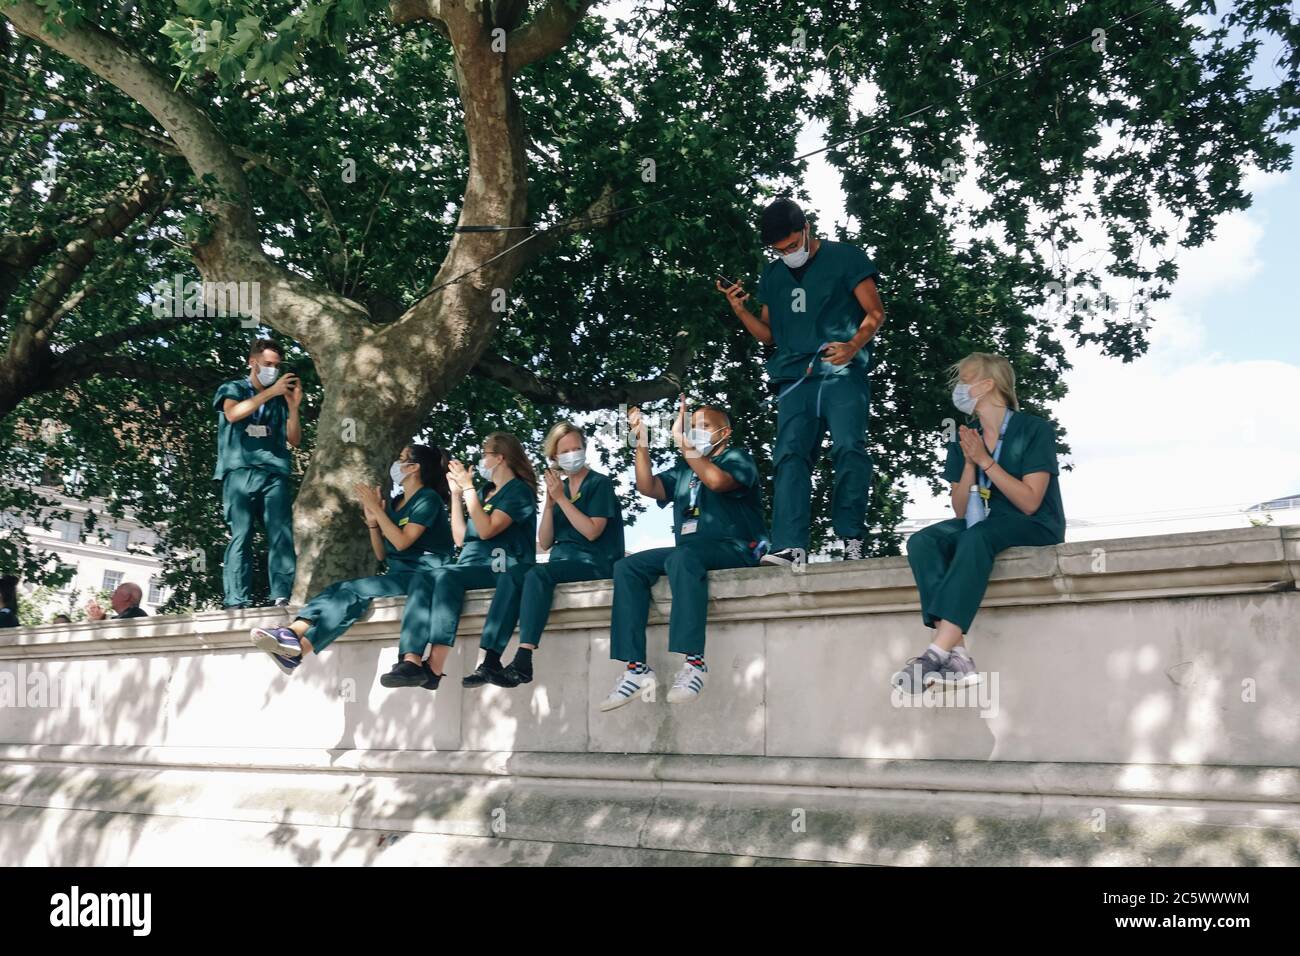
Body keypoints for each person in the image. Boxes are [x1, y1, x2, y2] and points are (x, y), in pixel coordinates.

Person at [717, 197, 885, 565]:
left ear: (806, 228)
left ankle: (851, 538)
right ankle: (791, 545)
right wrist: (740, 309)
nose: (788, 253)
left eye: (792, 245)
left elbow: (875, 312)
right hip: (793, 379)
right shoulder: (772, 275)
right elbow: (768, 336)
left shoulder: (846, 257)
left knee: (849, 449)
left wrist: (853, 346)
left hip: (840, 373)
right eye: (780, 250)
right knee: (790, 457)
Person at [891, 352, 1066, 694]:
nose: (959, 387)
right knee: (923, 542)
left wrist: (986, 461)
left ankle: (935, 652)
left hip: (1034, 524)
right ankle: (957, 655)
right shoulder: (965, 436)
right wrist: (970, 463)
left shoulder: (1033, 429)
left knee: (977, 538)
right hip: (985, 523)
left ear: (987, 385)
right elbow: (960, 510)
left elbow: (1030, 501)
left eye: (966, 378)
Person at [600, 396, 766, 711]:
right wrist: (642, 442)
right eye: (691, 427)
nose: (695, 432)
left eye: (703, 427)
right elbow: (648, 487)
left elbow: (717, 482)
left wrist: (682, 443)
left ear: (724, 433)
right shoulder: (684, 469)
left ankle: (694, 663)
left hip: (736, 547)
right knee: (627, 568)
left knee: (681, 557)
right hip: (689, 552)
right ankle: (636, 669)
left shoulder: (737, 457)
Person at [248, 444, 455, 676]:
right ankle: (296, 649)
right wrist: (373, 521)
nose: (395, 464)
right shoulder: (397, 502)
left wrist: (377, 510)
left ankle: (293, 636)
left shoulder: (428, 499)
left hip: (425, 576)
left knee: (353, 590)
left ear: (414, 467)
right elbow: (382, 554)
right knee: (342, 590)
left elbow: (402, 542)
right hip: (398, 574)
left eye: (401, 459)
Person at [463, 422, 625, 689]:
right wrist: (550, 504)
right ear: (554, 457)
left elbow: (593, 531)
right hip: (561, 562)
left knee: (538, 573)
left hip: (595, 561)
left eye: (577, 448)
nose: (573, 454)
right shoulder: (558, 488)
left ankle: (523, 659)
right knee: (512, 574)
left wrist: (561, 500)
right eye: (565, 450)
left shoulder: (599, 484)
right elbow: (546, 541)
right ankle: (491, 658)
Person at [381, 432, 538, 690]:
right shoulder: (485, 492)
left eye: (485, 454)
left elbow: (487, 530)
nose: (480, 459)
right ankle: (410, 660)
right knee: (422, 577)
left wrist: (468, 490)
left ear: (499, 458)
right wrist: (456, 495)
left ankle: (435, 667)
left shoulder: (518, 492)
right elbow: (460, 538)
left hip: (500, 566)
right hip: (469, 564)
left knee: (445, 576)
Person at [213, 338, 301, 609]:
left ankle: (281, 595)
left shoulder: (280, 398)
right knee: (242, 533)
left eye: (276, 365)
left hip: (274, 471)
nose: (273, 369)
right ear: (253, 362)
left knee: (281, 533)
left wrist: (294, 406)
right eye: (267, 364)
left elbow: (295, 439)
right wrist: (270, 392)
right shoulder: (234, 388)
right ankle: (236, 599)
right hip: (239, 470)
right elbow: (233, 414)